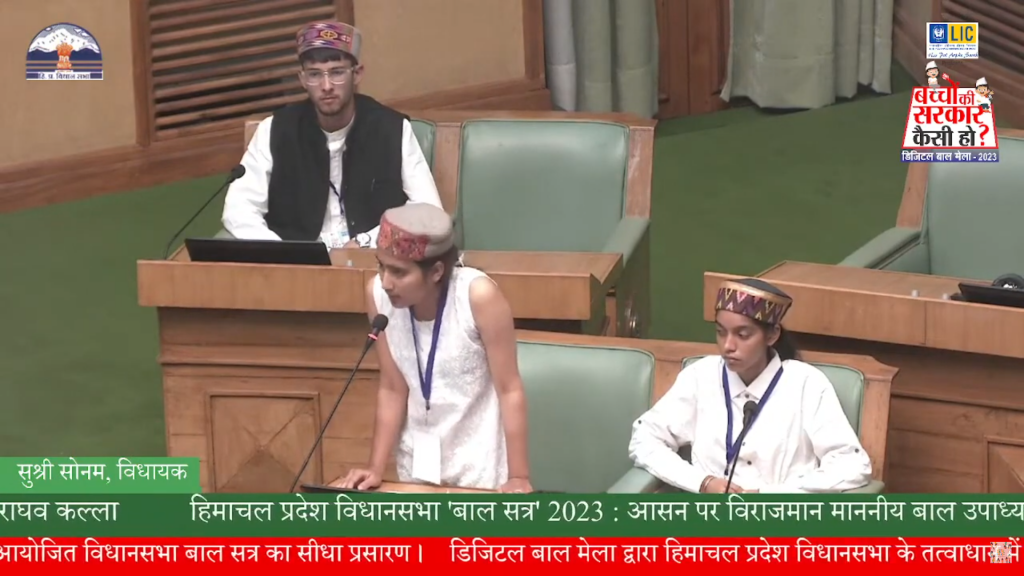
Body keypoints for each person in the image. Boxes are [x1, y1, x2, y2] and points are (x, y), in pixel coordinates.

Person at [335, 203, 532, 492]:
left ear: (436, 271)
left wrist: (519, 476)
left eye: (399, 272)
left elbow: (509, 389)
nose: (386, 283)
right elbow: (392, 387)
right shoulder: (378, 295)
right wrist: (375, 468)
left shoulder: (477, 296)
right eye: (381, 266)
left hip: (479, 469)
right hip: (416, 470)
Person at [628, 278, 872, 494]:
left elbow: (852, 464)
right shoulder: (700, 376)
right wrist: (702, 482)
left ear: (772, 335)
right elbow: (644, 438)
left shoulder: (806, 384)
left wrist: (770, 495)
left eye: (742, 335)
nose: (728, 346)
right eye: (721, 332)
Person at [221, 21, 442, 249]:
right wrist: (284, 253)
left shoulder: (392, 128)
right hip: (298, 261)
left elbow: (428, 209)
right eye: (315, 74)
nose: (326, 86)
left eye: (337, 72)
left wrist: (368, 242)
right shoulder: (275, 130)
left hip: (373, 259)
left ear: (357, 74)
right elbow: (239, 209)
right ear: (302, 79)